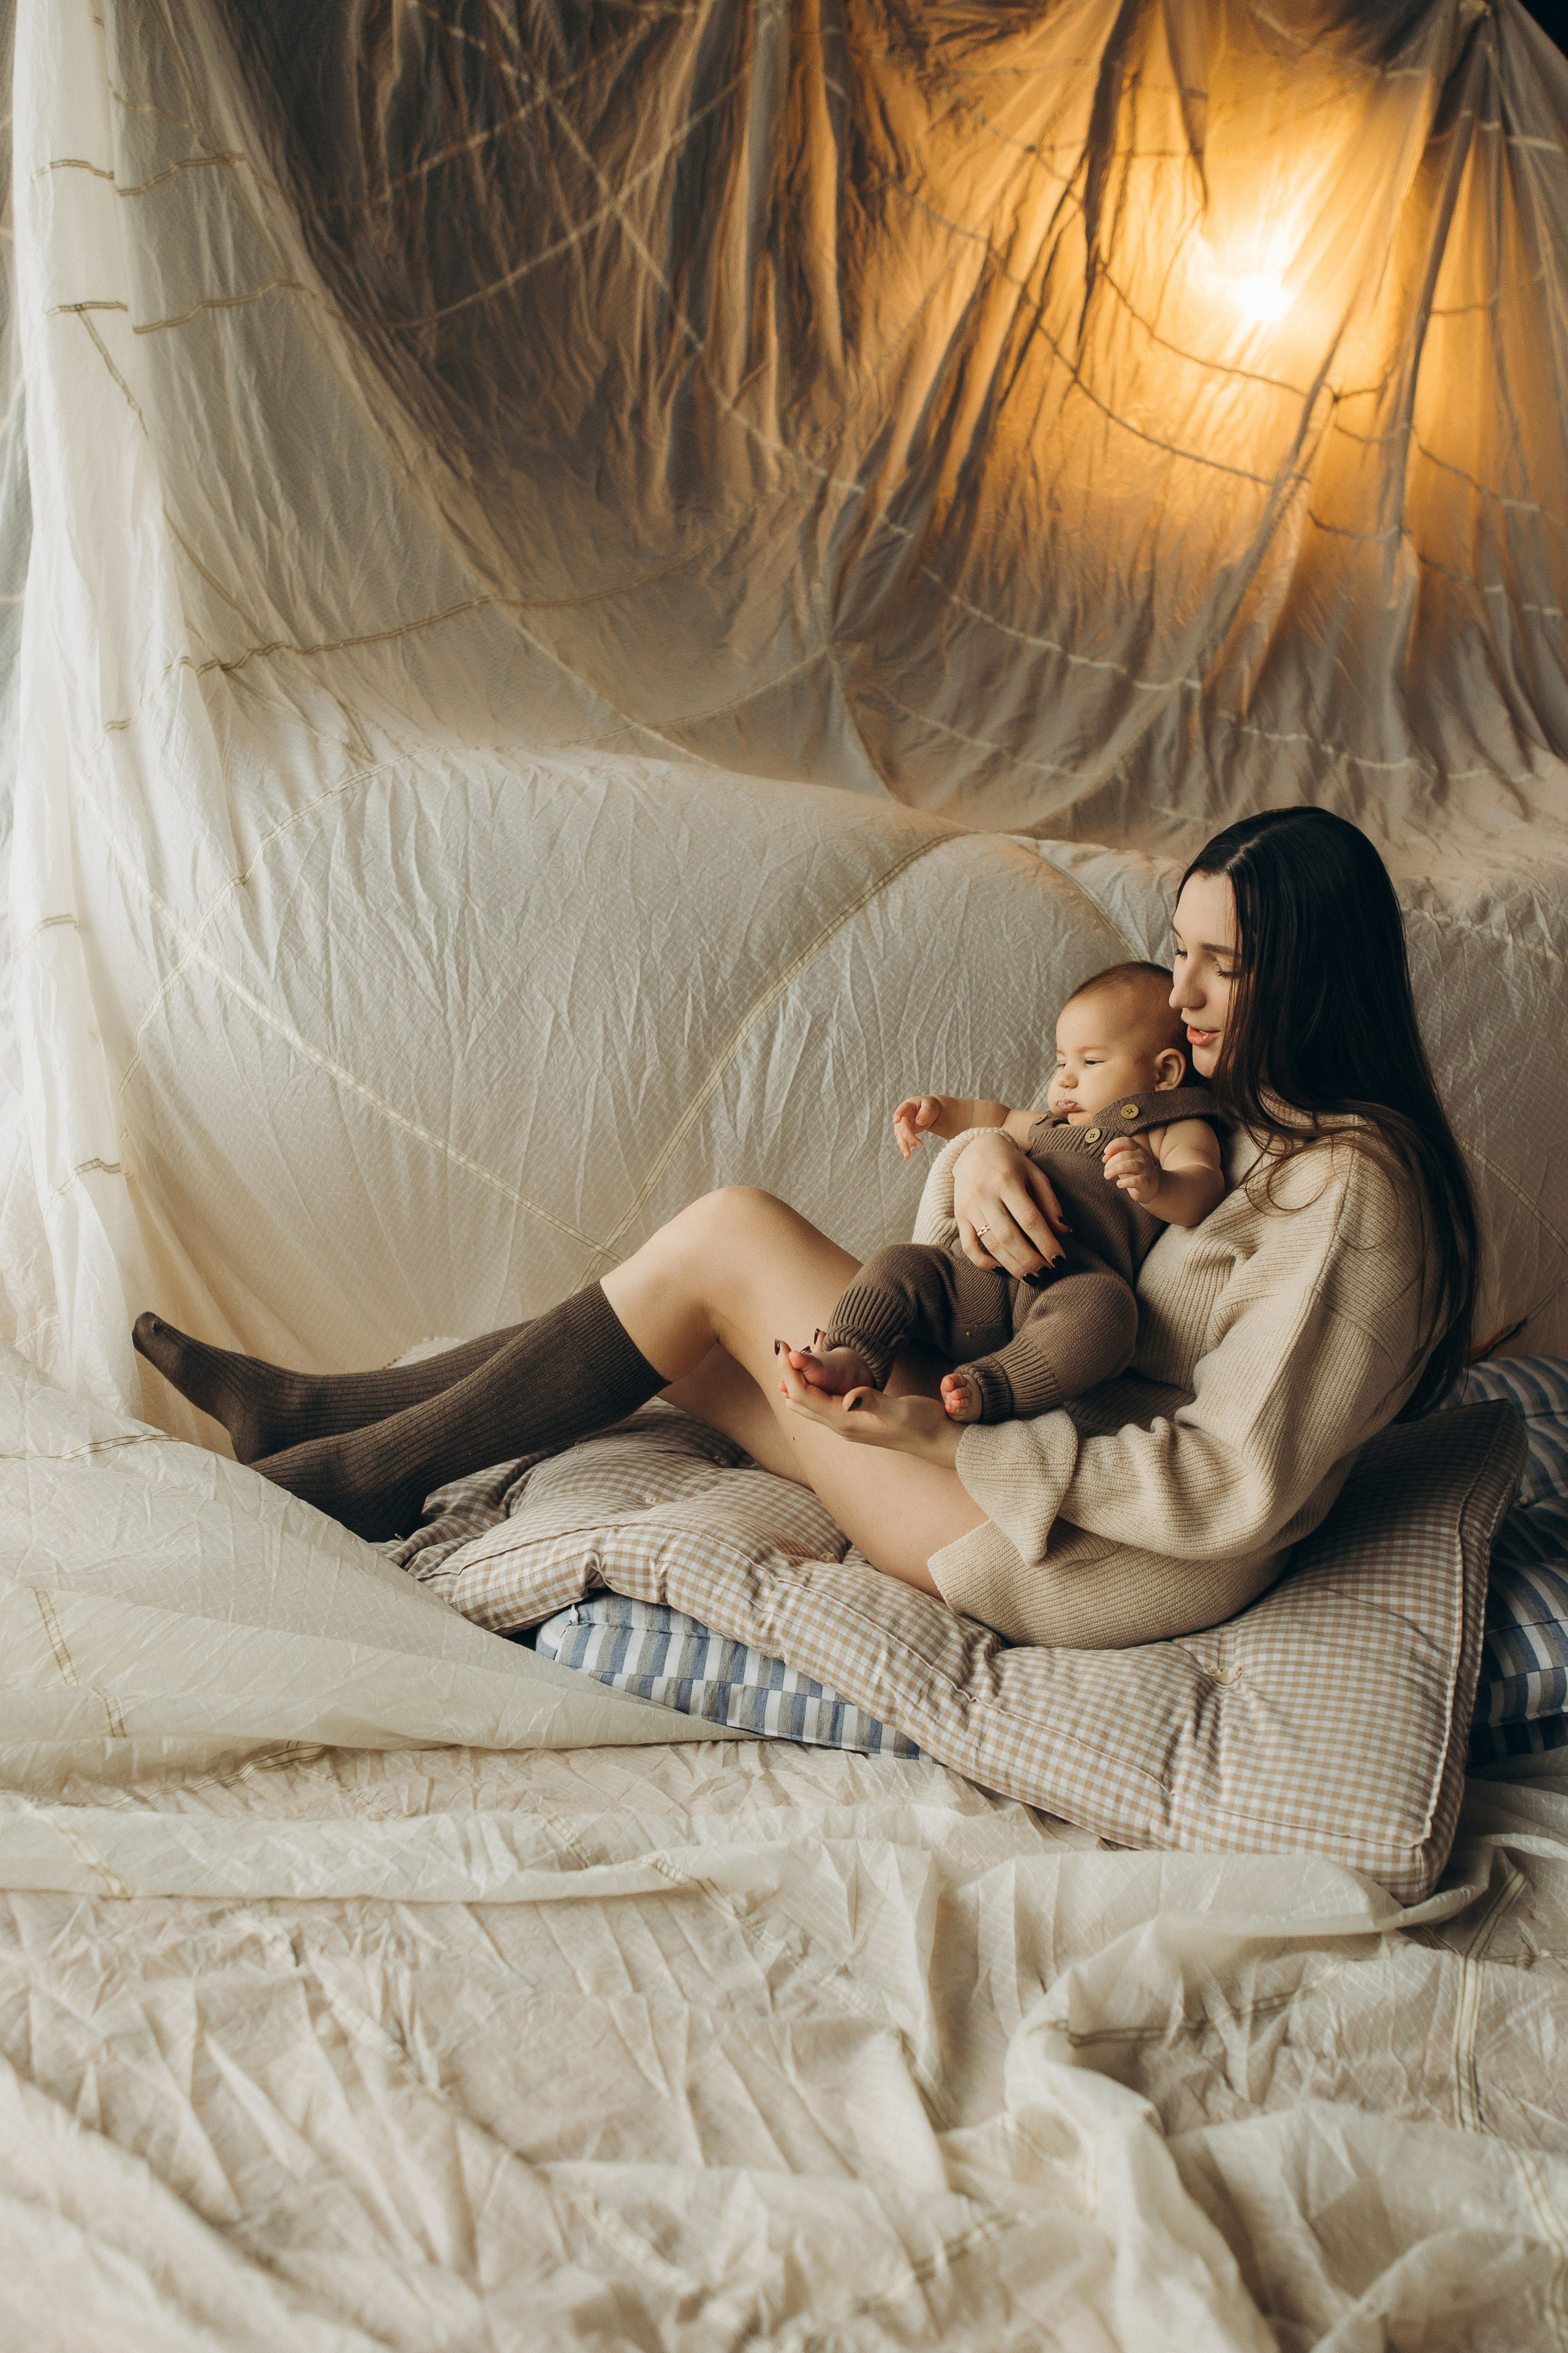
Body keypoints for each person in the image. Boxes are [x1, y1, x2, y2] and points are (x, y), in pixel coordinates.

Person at [132, 806, 1479, 1650]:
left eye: (1223, 966)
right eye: (1177, 948)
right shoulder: (1233, 1106)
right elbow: (1018, 1238)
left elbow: (1233, 1483)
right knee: (686, 1329)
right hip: (1032, 1435)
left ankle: (345, 1465)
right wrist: (984, 1151)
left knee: (728, 1241)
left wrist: (953, 1439)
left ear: (1314, 981)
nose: (1177, 994)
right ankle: (333, 1418)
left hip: (1090, 1555)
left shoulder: (1351, 1192)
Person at [796, 961, 1225, 1426]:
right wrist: (937, 1111)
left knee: (1109, 1311)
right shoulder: (1052, 1126)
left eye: (1090, 1062)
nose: (1065, 1079)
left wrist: (1160, 1184)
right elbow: (995, 1118)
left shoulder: (1171, 1128)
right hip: (974, 1278)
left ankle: (992, 1386)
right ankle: (851, 1353)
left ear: (1165, 1072)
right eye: (1061, 1063)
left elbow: (1203, 1185)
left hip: (1067, 1286)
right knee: (901, 1263)